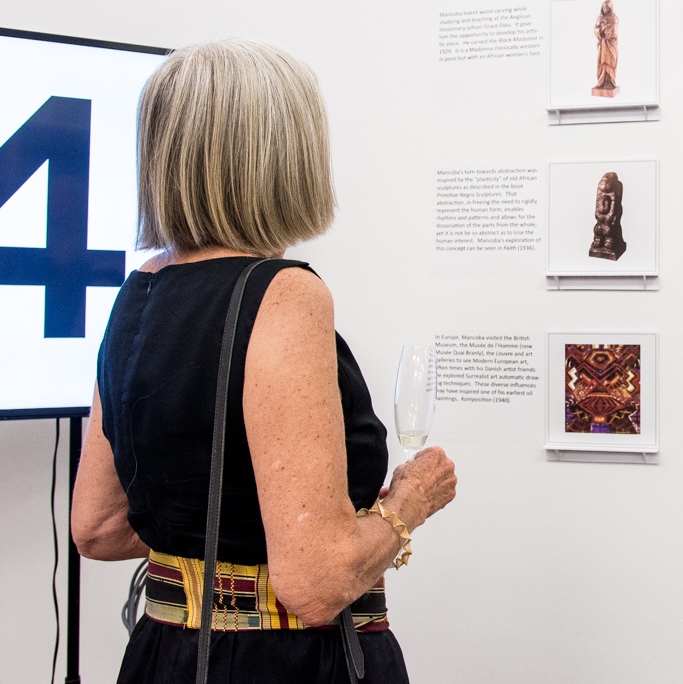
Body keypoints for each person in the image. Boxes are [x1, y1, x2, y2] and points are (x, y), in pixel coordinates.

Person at [70, 39, 457, 683]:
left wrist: (226, 543)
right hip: (280, 664)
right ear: (286, 156)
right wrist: (411, 502)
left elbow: (99, 527)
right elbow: (316, 583)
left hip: (162, 656)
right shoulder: (284, 293)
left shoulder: (139, 292)